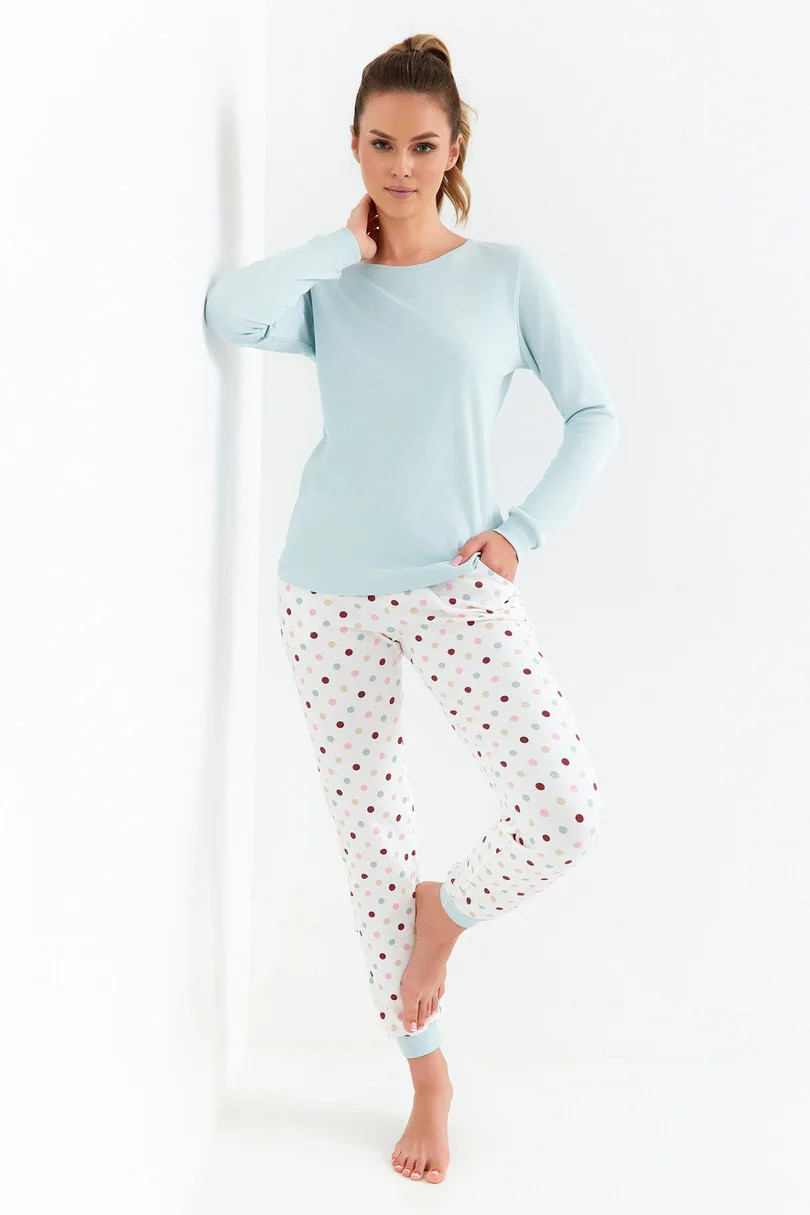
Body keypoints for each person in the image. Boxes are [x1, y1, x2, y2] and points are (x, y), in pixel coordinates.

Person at [204, 32, 619, 1187]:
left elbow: (596, 413)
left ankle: (448, 914)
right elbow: (233, 312)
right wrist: (337, 246)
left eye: (422, 145)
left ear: (455, 149)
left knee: (565, 808)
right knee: (371, 841)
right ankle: (426, 1076)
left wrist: (521, 531)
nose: (400, 165)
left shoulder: (509, 277)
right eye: (380, 143)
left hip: (454, 587)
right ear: (353, 146)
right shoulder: (332, 289)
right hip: (324, 592)